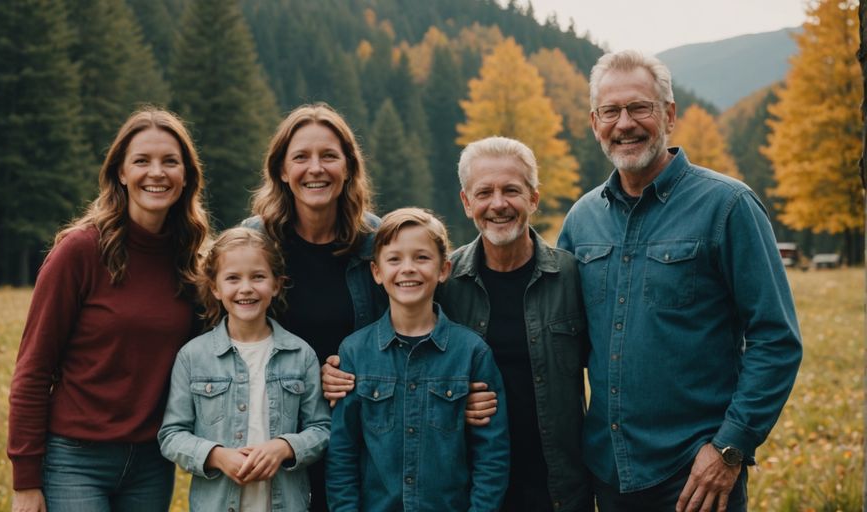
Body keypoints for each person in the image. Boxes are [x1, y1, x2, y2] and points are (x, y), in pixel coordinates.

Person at [558, 50, 802, 511]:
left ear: (668, 115)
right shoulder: (582, 220)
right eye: (611, 111)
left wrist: (731, 447)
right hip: (607, 473)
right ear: (595, 122)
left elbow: (776, 339)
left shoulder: (728, 207)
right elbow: (555, 340)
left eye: (639, 108)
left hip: (696, 477)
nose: (624, 123)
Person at [7, 108, 210, 512]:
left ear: (186, 176)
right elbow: (32, 370)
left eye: (170, 162)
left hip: (152, 463)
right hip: (75, 461)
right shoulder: (80, 252)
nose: (157, 172)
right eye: (142, 161)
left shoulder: (190, 261)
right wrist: (25, 481)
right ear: (120, 172)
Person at [435, 136, 591, 511]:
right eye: (484, 192)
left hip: (559, 491)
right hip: (469, 490)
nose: (499, 204)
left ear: (534, 198)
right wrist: (454, 400)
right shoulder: (443, 283)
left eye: (511, 190)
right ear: (466, 202)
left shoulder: (573, 277)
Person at [243, 102, 384, 511]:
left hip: (359, 431)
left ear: (349, 168)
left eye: (329, 156)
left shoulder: (377, 240)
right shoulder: (255, 241)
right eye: (301, 157)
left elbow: (411, 327)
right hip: (273, 431)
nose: (315, 168)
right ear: (282, 171)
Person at [325, 207, 510, 511]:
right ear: (376, 272)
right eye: (394, 259)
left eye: (422, 257)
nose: (408, 268)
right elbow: (342, 456)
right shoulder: (355, 352)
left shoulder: (472, 352)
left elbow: (491, 456)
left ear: (443, 269)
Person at [158, 227, 331, 512]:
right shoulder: (193, 356)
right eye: (233, 278)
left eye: (258, 277)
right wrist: (216, 456)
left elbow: (322, 429)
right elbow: (172, 435)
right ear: (215, 287)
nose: (246, 288)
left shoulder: (301, 354)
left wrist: (285, 447)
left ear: (276, 284)